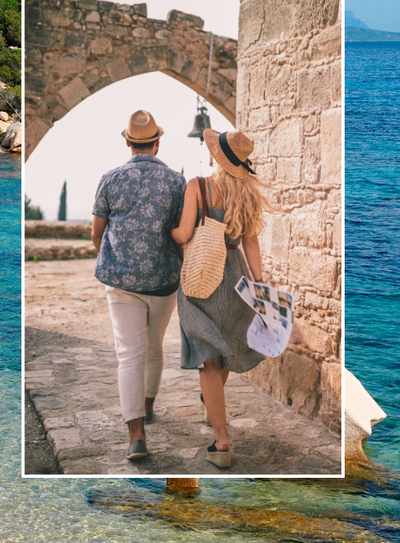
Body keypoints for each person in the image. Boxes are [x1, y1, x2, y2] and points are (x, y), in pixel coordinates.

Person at [170, 128, 270, 469]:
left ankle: (222, 440)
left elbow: (184, 233)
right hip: (237, 279)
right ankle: (213, 415)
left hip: (201, 277)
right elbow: (251, 243)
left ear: (217, 157)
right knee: (223, 351)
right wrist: (259, 285)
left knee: (209, 360)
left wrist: (169, 231)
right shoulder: (248, 195)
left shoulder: (198, 186)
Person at [92, 110, 185, 461]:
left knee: (129, 354)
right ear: (158, 143)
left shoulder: (110, 178)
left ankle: (136, 435)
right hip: (163, 281)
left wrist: (115, 259)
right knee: (155, 345)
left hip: (120, 281)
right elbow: (180, 235)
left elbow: (96, 234)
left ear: (127, 141)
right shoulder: (177, 182)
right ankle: (147, 405)